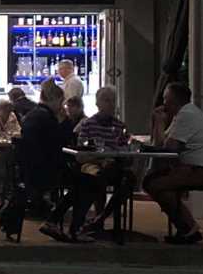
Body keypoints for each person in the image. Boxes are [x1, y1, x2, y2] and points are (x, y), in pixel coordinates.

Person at [42, 86, 129, 242]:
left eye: (113, 101)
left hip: (112, 166)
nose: (110, 104)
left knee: (128, 180)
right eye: (107, 100)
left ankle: (98, 219)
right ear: (98, 103)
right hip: (90, 165)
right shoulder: (88, 124)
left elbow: (124, 150)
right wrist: (100, 159)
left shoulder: (120, 126)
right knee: (92, 179)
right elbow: (81, 153)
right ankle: (82, 225)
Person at [143, 82, 203, 245]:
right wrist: (158, 123)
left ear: (174, 101)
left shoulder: (186, 115)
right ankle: (187, 228)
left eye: (166, 99)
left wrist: (159, 123)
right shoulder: (181, 115)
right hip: (192, 168)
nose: (163, 103)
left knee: (154, 184)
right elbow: (161, 145)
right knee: (150, 181)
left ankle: (188, 229)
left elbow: (168, 149)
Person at [19, 80, 73, 214]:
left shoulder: (30, 116)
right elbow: (61, 142)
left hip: (29, 167)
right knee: (84, 180)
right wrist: (65, 121)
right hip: (48, 168)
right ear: (53, 100)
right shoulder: (48, 118)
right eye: (61, 101)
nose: (62, 106)